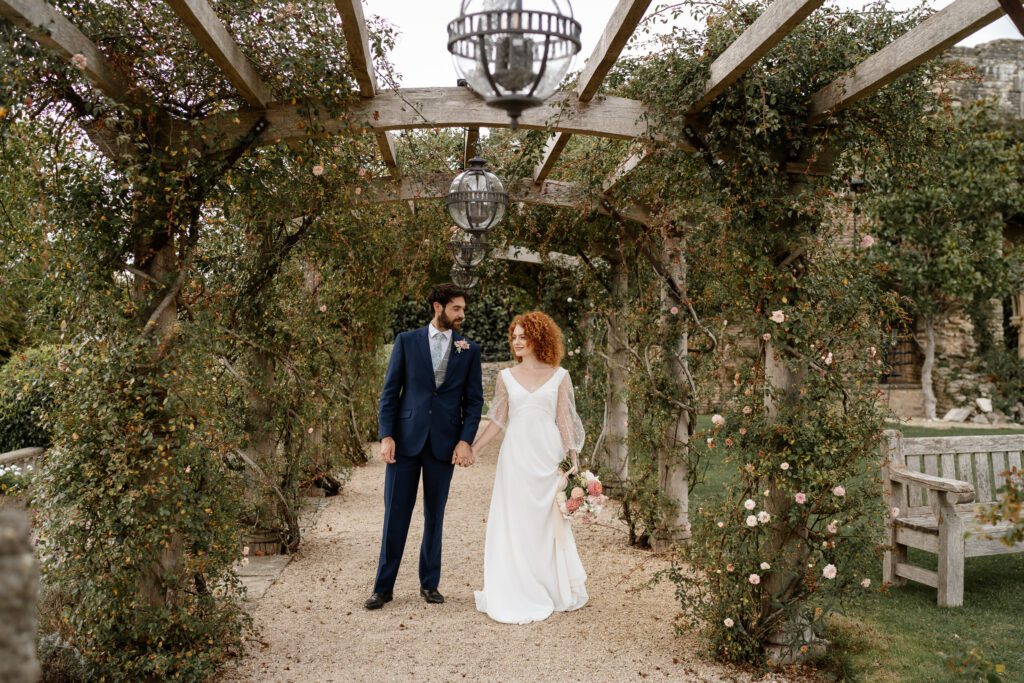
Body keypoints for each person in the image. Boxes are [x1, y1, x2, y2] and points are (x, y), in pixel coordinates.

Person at [364, 284, 483, 610]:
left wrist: (464, 440)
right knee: (395, 515)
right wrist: (386, 435)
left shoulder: (468, 349)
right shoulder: (407, 341)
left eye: (462, 309)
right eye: (456, 308)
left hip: (443, 445)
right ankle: (383, 588)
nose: (461, 314)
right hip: (405, 442)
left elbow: (474, 402)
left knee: (435, 515)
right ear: (438, 307)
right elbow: (390, 392)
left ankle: (429, 584)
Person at [471, 311, 588, 624]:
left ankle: (549, 585)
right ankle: (516, 585)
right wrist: (476, 448)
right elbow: (498, 419)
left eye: (524, 335)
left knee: (547, 522)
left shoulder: (560, 376)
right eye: (515, 336)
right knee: (516, 520)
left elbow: (564, 419)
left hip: (548, 456)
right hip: (516, 457)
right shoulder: (506, 377)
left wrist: (572, 459)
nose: (517, 341)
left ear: (539, 338)